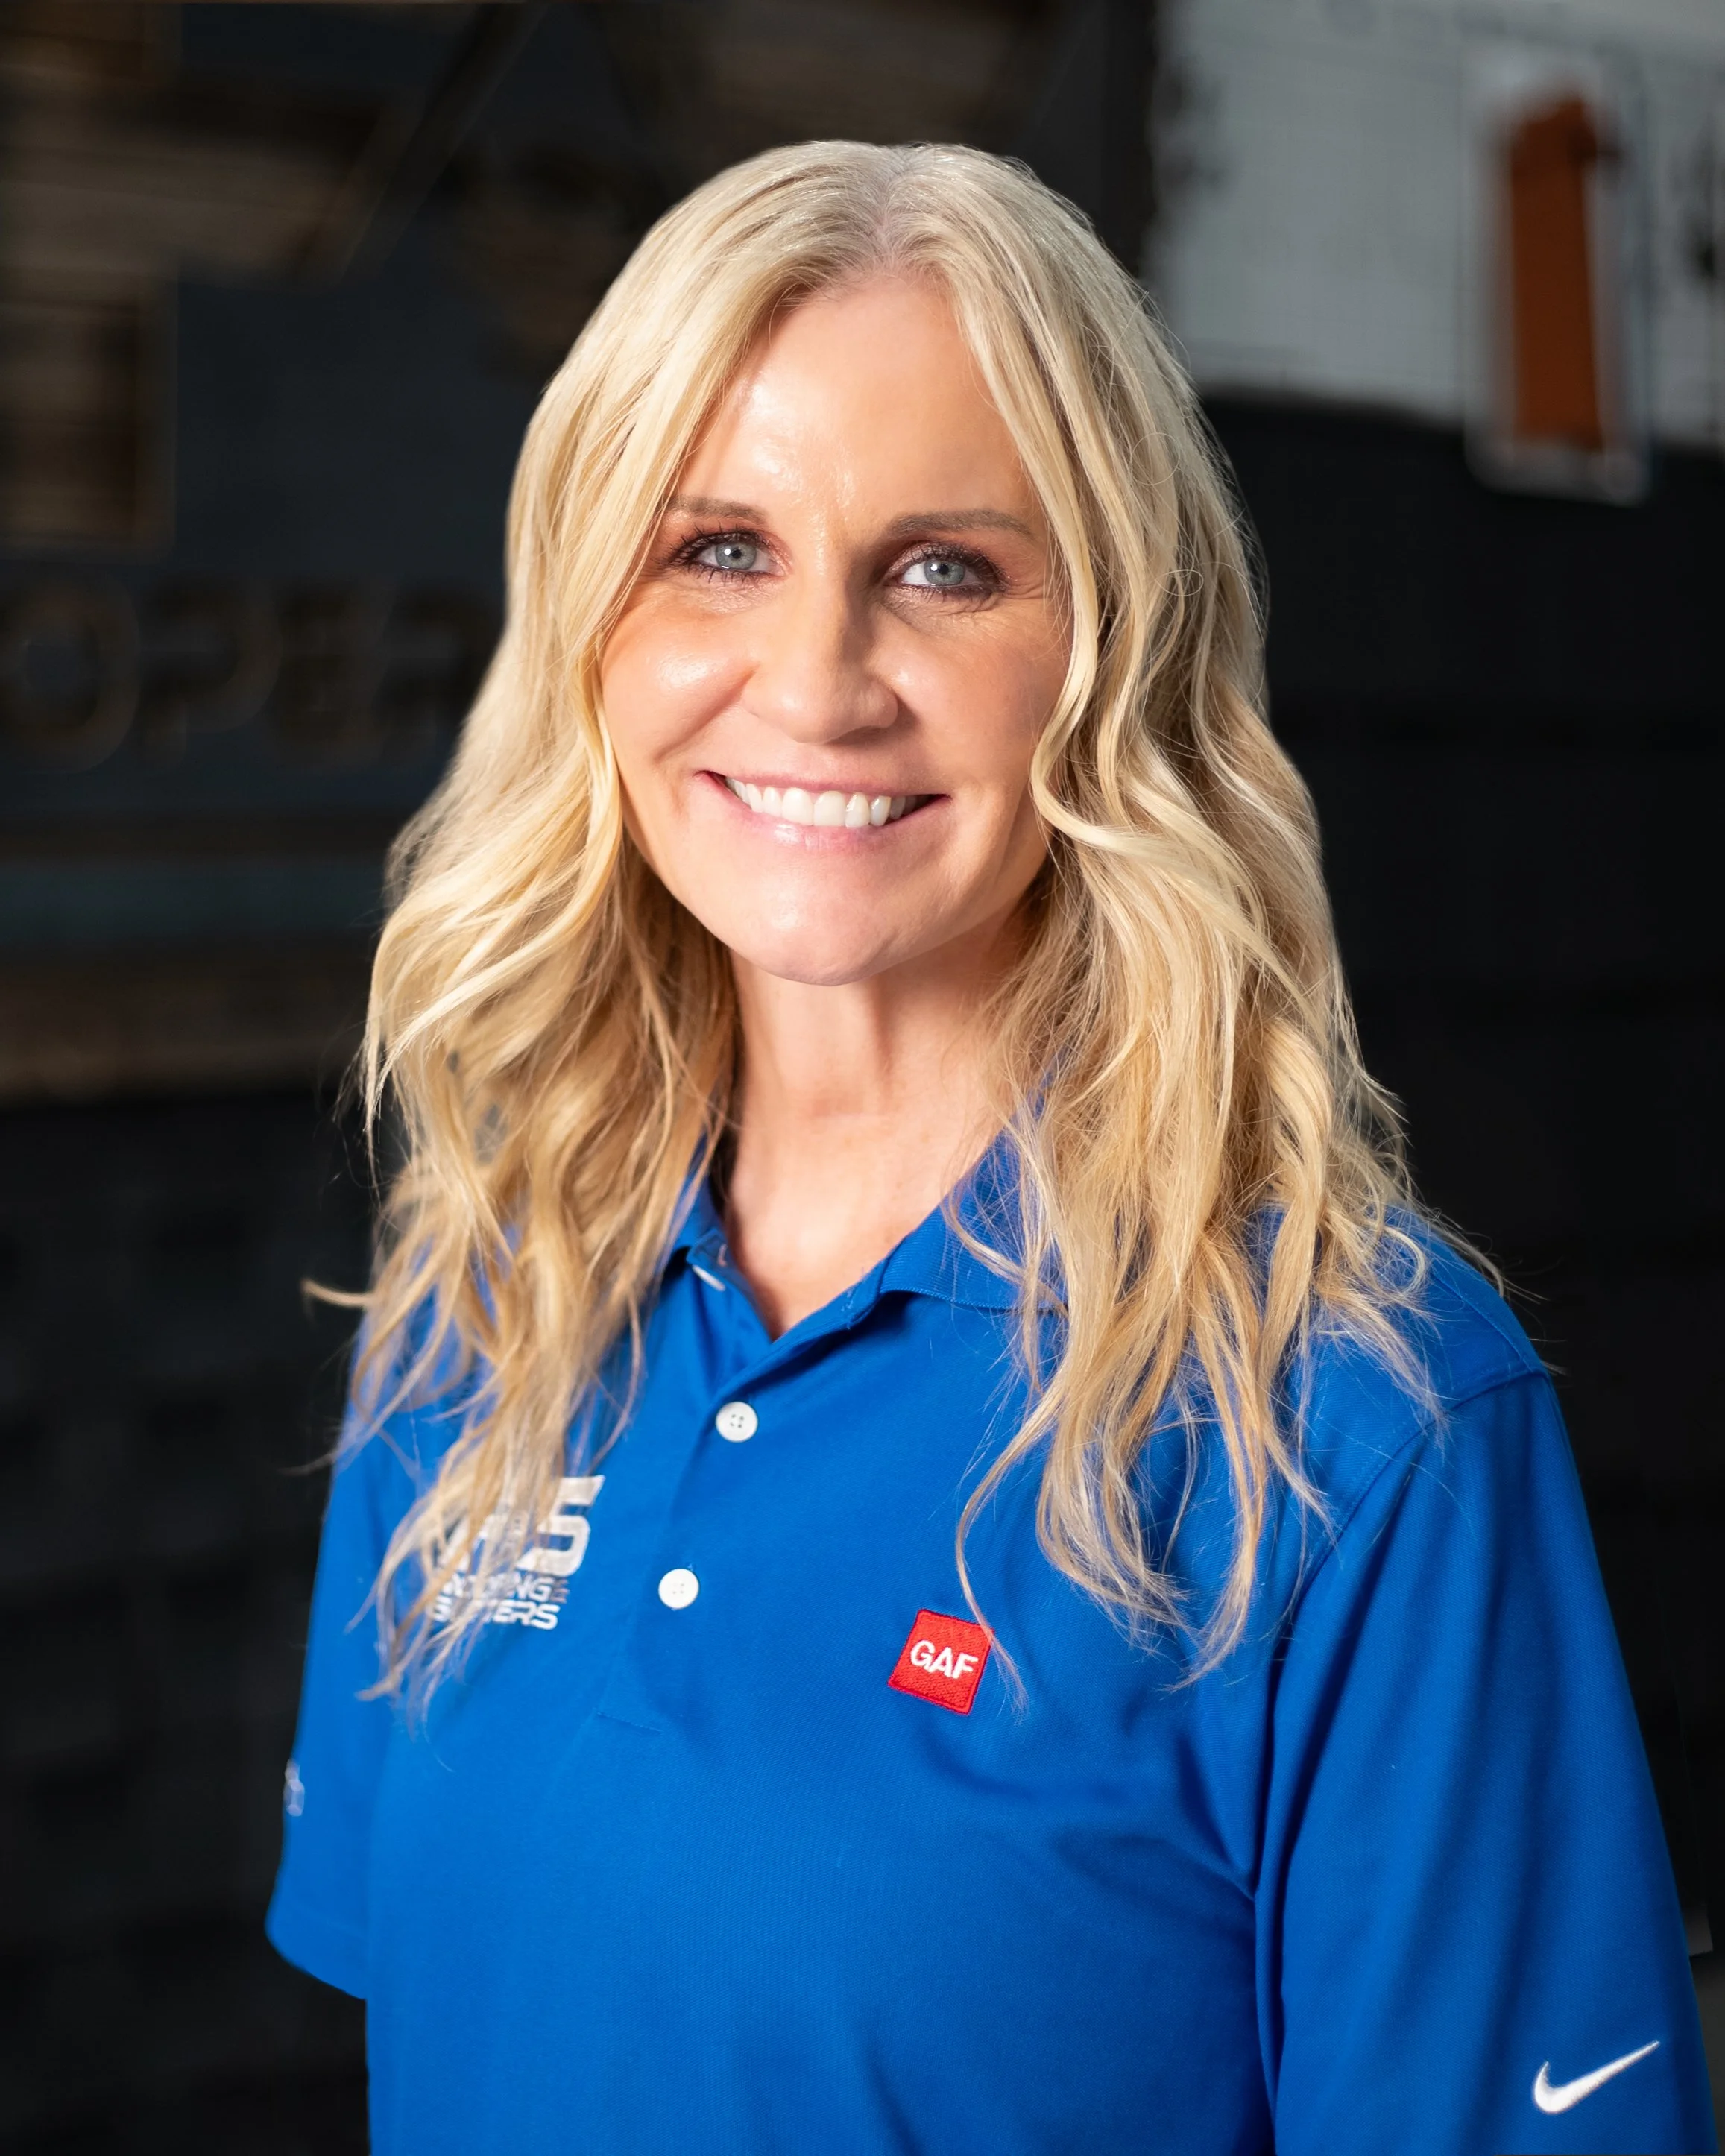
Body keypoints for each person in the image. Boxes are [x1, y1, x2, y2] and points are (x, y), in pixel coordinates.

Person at [268, 142, 1715, 2155]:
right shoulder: (478, 1299)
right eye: (718, 547)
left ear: (1114, 652)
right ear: (593, 622)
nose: (816, 684)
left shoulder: (1350, 1415)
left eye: (946, 568)